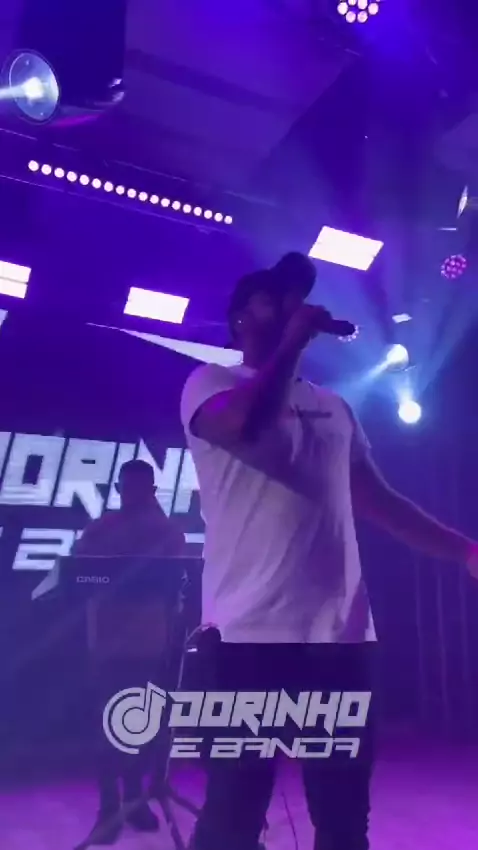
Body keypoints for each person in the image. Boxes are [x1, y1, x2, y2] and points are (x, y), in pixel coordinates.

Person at [180, 252, 478, 850]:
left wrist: (466, 550)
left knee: (343, 821)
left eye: (295, 298)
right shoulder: (211, 384)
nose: (290, 306)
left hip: (341, 639)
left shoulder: (335, 406)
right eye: (273, 298)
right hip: (246, 638)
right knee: (233, 815)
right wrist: (293, 341)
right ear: (240, 319)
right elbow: (244, 427)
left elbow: (380, 501)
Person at [73, 459, 185, 847]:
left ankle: (135, 801)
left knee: (143, 726)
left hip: (150, 641)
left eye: (141, 488)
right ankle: (108, 808)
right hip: (106, 641)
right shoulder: (100, 527)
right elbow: (77, 571)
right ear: (119, 489)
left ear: (152, 490)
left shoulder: (166, 530)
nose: (133, 495)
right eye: (127, 488)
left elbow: (175, 573)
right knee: (105, 725)